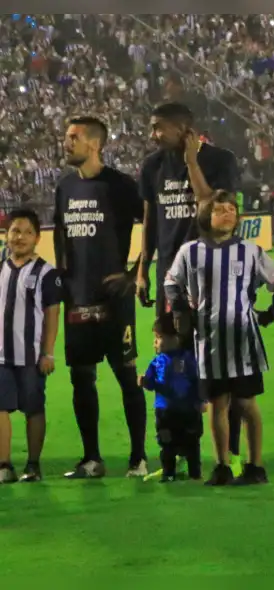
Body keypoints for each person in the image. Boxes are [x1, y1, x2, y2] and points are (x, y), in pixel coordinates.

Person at [136, 102, 246, 478]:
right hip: (171, 278)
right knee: (174, 363)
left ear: (184, 128)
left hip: (211, 278)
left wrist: (192, 162)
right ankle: (177, 449)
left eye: (159, 128)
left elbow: (210, 204)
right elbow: (151, 220)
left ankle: (226, 452)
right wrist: (142, 268)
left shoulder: (221, 160)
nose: (154, 135)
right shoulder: (152, 166)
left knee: (217, 367)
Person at [164, 190, 274, 486]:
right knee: (218, 403)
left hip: (244, 341)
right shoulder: (189, 251)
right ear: (206, 215)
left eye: (232, 208)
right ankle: (222, 465)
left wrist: (273, 312)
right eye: (219, 209)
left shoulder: (250, 251)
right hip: (208, 341)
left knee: (246, 404)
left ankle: (255, 465)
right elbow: (171, 282)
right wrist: (181, 312)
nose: (227, 213)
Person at [53, 116, 147, 479]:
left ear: (95, 143)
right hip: (77, 300)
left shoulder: (120, 185)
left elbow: (150, 227)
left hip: (114, 302)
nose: (67, 142)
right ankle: (91, 458)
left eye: (73, 137)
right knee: (81, 378)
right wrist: (63, 272)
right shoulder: (64, 188)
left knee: (126, 377)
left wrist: (133, 273)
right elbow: (61, 232)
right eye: (67, 136)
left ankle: (138, 458)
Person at [0, 209, 61, 484]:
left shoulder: (46, 272)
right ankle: (4, 465)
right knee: (0, 408)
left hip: (31, 356)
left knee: (33, 409)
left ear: (37, 237)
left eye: (26, 232)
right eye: (15, 231)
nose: (20, 237)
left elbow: (52, 314)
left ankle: (33, 465)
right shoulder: (0, 266)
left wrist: (48, 352)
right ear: (6, 235)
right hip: (1, 355)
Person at [140, 314, 203, 483]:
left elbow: (198, 380)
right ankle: (168, 472)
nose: (155, 342)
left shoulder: (189, 359)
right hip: (165, 411)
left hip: (188, 409)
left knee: (192, 442)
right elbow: (151, 383)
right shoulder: (156, 362)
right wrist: (144, 381)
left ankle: (195, 472)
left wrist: (201, 400)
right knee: (166, 443)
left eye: (159, 337)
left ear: (175, 338)